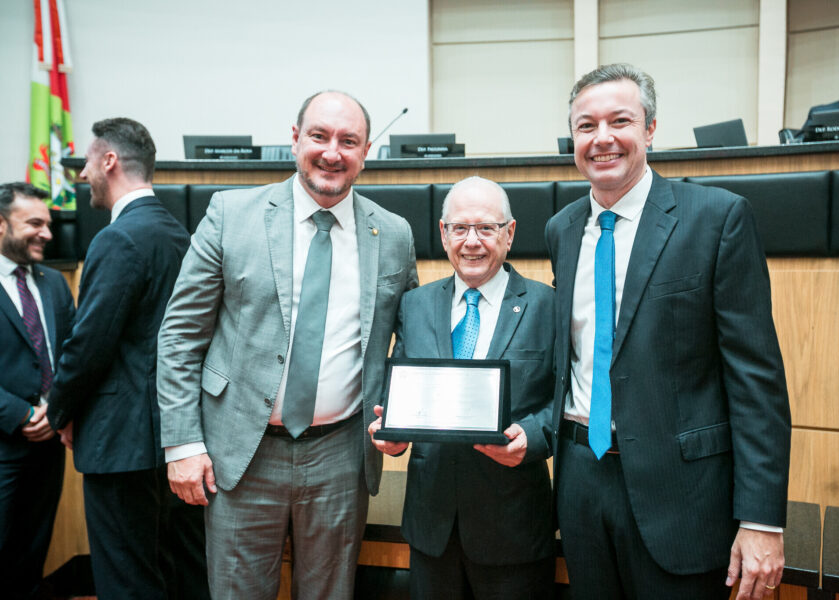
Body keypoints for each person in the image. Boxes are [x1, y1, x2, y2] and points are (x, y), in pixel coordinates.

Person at [157, 90, 418, 600]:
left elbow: (409, 339)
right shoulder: (231, 214)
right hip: (240, 452)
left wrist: (402, 418)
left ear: (366, 152)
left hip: (341, 454)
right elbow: (180, 335)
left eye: (349, 141)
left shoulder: (393, 233)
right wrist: (183, 444)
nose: (332, 152)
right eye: (319, 136)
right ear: (295, 139)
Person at [544, 63, 791, 600]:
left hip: (682, 496)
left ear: (651, 129)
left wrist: (761, 519)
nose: (602, 138)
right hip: (581, 484)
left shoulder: (717, 218)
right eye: (586, 126)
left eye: (620, 121)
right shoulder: (561, 229)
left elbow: (756, 381)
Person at [369, 176, 556, 599]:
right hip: (431, 526)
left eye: (486, 228)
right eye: (460, 228)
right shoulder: (415, 304)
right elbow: (397, 388)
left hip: (513, 528)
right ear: (443, 233)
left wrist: (534, 436)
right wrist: (389, 431)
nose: (472, 242)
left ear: (509, 233)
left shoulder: (547, 305)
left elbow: (566, 400)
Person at [46, 118, 209, 600]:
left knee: (126, 582)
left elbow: (88, 344)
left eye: (88, 163)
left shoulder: (118, 238)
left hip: (120, 442)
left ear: (110, 161)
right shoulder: (180, 235)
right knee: (179, 575)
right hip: (175, 437)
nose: (83, 175)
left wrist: (60, 411)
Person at [0, 182, 74, 600]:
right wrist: (21, 414)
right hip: (4, 442)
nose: (46, 233)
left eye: (47, 224)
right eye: (34, 223)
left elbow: (72, 354)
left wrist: (56, 409)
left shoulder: (54, 283)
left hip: (48, 446)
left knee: (32, 553)